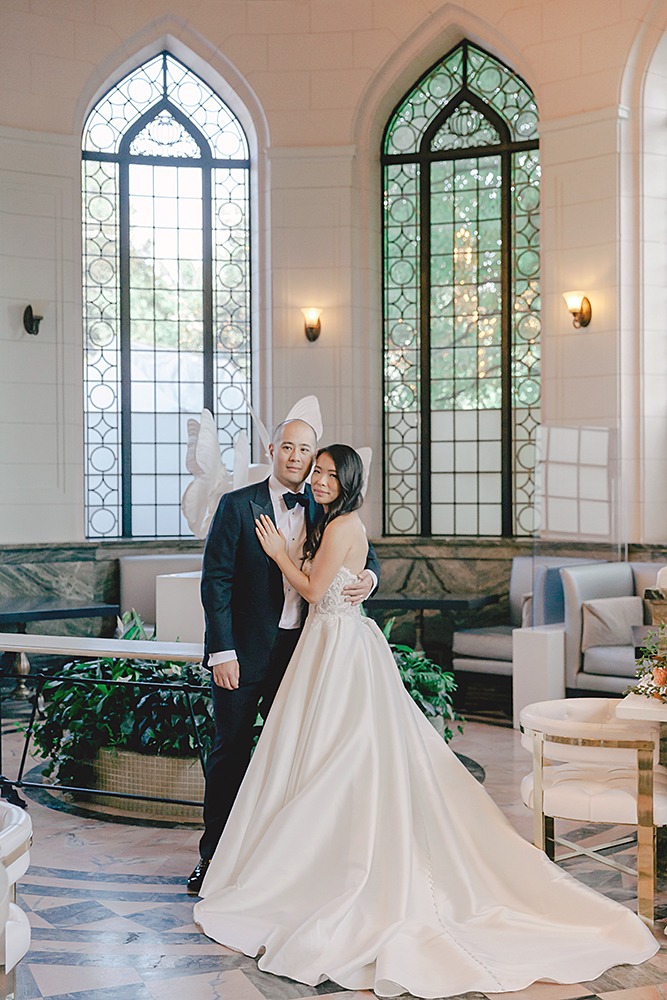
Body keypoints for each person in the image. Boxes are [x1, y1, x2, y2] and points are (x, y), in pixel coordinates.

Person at [194, 443, 658, 998]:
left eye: (324, 471)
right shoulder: (259, 507)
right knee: (293, 755)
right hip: (302, 647)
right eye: (310, 466)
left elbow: (323, 583)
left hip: (335, 646)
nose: (315, 476)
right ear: (277, 455)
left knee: (343, 755)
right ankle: (246, 857)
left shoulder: (339, 519)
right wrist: (350, 574)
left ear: (346, 481)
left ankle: (336, 862)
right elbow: (239, 578)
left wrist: (288, 557)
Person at [188, 421, 380, 893]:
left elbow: (365, 556)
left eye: (305, 450)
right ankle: (213, 858)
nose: (296, 457)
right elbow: (215, 582)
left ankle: (274, 863)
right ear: (272, 449)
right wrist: (222, 651)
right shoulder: (237, 505)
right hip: (244, 654)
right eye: (288, 447)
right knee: (229, 753)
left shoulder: (326, 507)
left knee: (293, 758)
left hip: (306, 655)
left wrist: (370, 580)